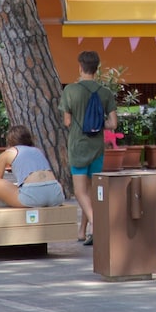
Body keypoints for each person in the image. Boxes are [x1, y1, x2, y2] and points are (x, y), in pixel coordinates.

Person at [58, 51, 118, 244]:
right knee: (91, 191)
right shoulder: (105, 93)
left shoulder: (70, 91)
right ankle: (82, 231)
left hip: (77, 145)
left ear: (80, 67)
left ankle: (96, 224)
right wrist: (98, 123)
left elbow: (67, 121)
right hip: (97, 147)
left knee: (79, 191)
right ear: (96, 68)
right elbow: (113, 124)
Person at [0, 125, 65, 209]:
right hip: (56, 194)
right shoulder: (38, 151)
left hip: (33, 196)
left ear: (10, 140)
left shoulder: (8, 153)